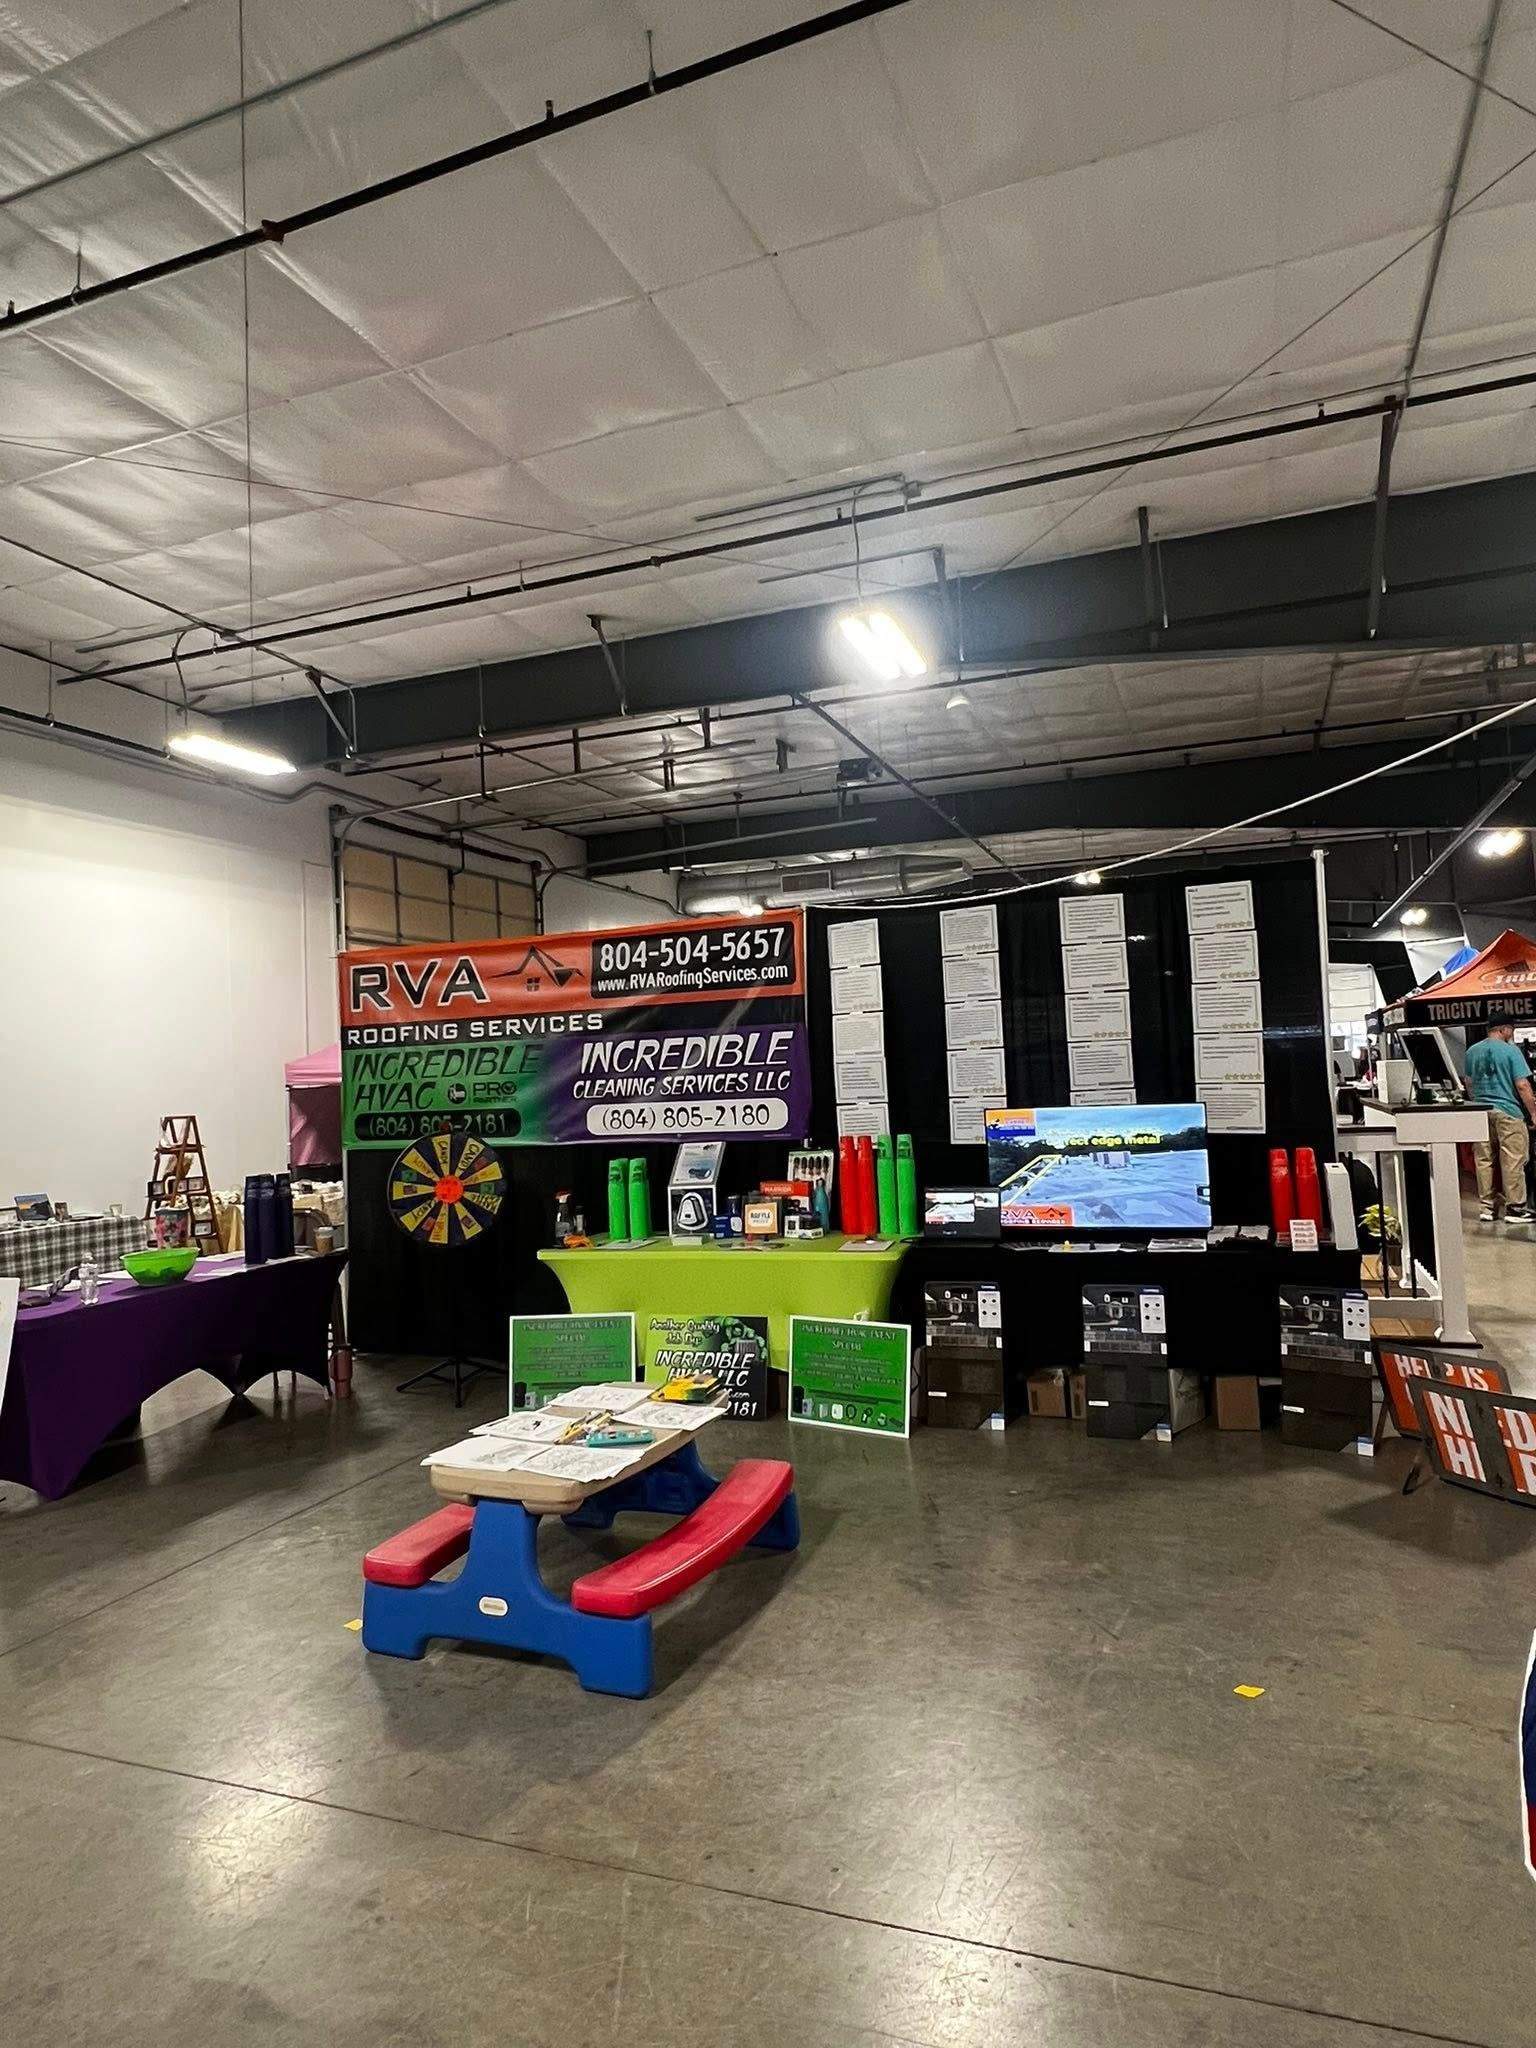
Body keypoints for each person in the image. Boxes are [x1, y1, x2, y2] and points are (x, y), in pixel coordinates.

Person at [1466, 1011, 1536, 1221]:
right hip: (1508, 1111)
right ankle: (1515, 1208)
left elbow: (1468, 1082)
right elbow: (1522, 1085)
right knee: (1513, 1160)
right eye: (1511, 1030)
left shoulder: (1472, 1051)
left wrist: (1477, 1100)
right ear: (1505, 1029)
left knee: (1484, 1160)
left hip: (1480, 1111)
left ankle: (1487, 1208)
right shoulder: (1511, 1051)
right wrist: (1533, 1112)